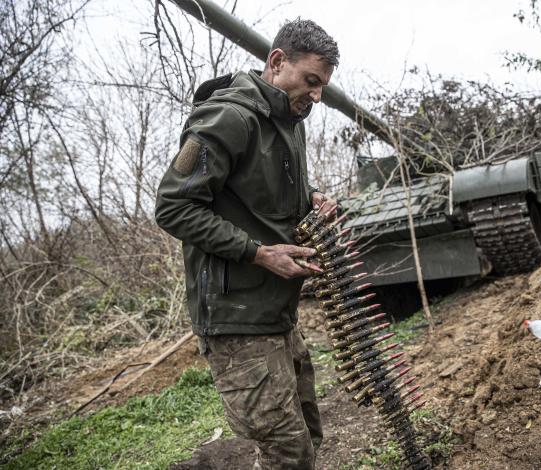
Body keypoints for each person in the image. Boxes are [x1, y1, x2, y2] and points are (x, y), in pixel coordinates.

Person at [154, 18, 339, 469]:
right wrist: (259, 253)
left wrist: (310, 197)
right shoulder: (228, 117)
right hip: (237, 318)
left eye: (322, 87)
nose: (316, 95)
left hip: (276, 311)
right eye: (311, 81)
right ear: (277, 62)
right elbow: (174, 208)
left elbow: (261, 190)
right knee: (287, 452)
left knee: (306, 439)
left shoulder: (290, 119)